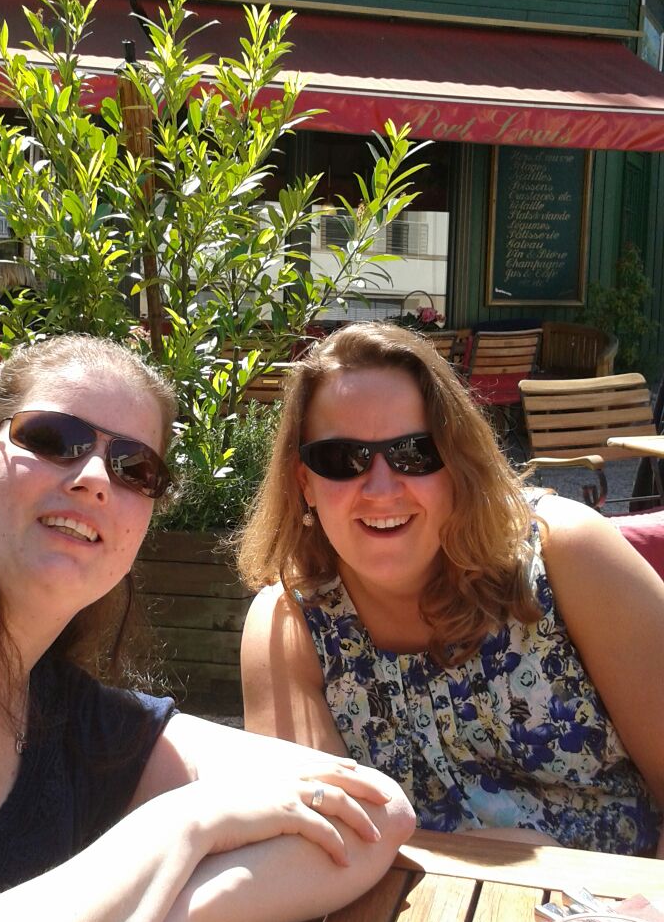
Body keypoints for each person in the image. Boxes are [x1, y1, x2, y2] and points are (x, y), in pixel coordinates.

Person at [0, 334, 414, 922]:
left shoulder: (70, 717)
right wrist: (186, 823)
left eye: (135, 468)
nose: (94, 478)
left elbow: (376, 814)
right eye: (53, 438)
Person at [239, 322, 664, 858]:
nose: (381, 488)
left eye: (415, 452)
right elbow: (311, 848)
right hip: (411, 909)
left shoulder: (565, 554)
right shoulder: (288, 626)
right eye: (342, 458)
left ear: (457, 462)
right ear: (305, 482)